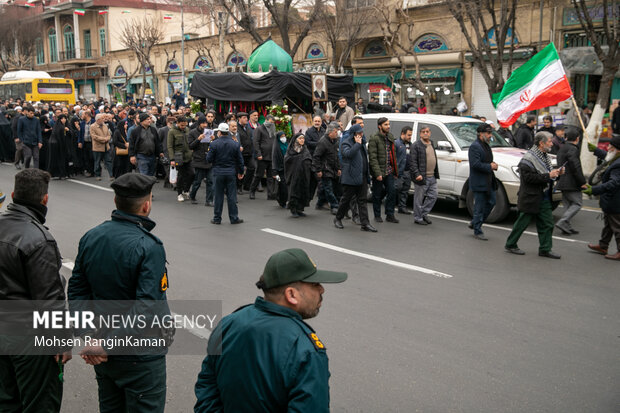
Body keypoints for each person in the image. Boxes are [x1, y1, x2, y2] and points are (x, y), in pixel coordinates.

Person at [194, 248, 347, 412]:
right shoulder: (305, 350)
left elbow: (207, 388)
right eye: (314, 284)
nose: (321, 289)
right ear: (291, 294)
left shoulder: (229, 324)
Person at [67, 173, 169, 412]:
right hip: (140, 355)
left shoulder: (92, 236)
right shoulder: (149, 246)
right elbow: (147, 307)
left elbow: (77, 289)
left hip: (103, 348)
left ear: (115, 201)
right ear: (146, 205)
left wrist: (90, 336)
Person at [0, 169, 72, 413]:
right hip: (29, 339)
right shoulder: (40, 239)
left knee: (7, 402)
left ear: (13, 195)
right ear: (45, 200)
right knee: (40, 404)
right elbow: (49, 299)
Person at [505, 132, 565, 258]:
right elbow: (528, 178)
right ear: (541, 143)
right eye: (549, 141)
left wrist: (557, 173)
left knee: (547, 224)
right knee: (522, 223)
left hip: (544, 196)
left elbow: (547, 174)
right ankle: (511, 244)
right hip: (530, 197)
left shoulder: (545, 156)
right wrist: (548, 175)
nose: (551, 143)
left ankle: (545, 249)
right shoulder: (528, 159)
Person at [334, 124, 376, 232]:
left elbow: (364, 158)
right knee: (346, 199)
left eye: (362, 133)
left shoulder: (361, 143)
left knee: (362, 201)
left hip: (362, 176)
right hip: (351, 177)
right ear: (353, 134)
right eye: (359, 133)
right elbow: (348, 154)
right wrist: (357, 144)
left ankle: (365, 224)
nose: (361, 135)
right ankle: (338, 218)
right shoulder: (345, 143)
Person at [584, 135, 620, 260]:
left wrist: (594, 190)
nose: (608, 148)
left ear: (617, 149)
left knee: (616, 226)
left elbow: (614, 183)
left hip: (615, 200)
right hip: (611, 200)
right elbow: (607, 157)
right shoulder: (616, 158)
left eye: (611, 146)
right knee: (609, 224)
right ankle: (603, 245)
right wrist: (595, 150)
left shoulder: (618, 165)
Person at [206, 123, 244, 224]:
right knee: (232, 196)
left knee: (218, 196)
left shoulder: (214, 144)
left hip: (218, 173)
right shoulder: (235, 144)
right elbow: (240, 160)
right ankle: (234, 218)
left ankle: (217, 218)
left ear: (219, 132)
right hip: (231, 172)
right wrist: (240, 172)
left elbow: (208, 159)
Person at [468, 123, 498, 240]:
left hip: (489, 181)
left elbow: (487, 160)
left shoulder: (486, 145)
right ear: (481, 134)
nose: (490, 135)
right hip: (479, 181)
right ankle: (477, 230)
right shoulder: (475, 146)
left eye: (491, 133)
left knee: (492, 202)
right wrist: (490, 166)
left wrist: (493, 165)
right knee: (479, 207)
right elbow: (475, 164)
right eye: (488, 133)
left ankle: (475, 222)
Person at [368, 117, 399, 223]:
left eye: (389, 124)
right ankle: (377, 215)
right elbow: (373, 158)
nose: (388, 126)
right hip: (379, 171)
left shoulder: (390, 137)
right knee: (377, 194)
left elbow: (393, 155)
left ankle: (390, 214)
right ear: (379, 126)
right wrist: (377, 173)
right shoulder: (374, 138)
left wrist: (395, 170)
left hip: (389, 170)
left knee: (392, 192)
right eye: (386, 124)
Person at [555, 130, 586, 235]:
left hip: (562, 181)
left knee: (567, 205)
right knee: (577, 203)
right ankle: (563, 222)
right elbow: (575, 167)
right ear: (577, 138)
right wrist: (582, 181)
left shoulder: (562, 148)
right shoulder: (573, 149)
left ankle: (567, 226)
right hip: (571, 182)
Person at [410, 125, 439, 225]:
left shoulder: (431, 143)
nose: (426, 133)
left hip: (432, 176)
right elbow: (413, 162)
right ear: (420, 134)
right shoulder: (416, 145)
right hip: (422, 177)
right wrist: (417, 174)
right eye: (423, 132)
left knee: (433, 196)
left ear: (430, 133)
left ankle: (423, 213)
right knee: (419, 199)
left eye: (427, 131)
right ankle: (418, 218)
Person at [312, 122, 341, 214]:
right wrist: (318, 170)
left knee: (329, 188)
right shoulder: (323, 142)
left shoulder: (336, 141)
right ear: (330, 133)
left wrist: (339, 168)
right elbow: (316, 157)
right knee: (329, 188)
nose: (337, 134)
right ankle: (334, 206)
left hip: (334, 168)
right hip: (325, 169)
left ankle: (320, 203)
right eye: (336, 132)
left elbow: (337, 156)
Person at [284, 133, 313, 218]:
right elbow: (287, 160)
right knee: (294, 191)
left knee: (303, 191)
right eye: (300, 138)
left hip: (304, 174)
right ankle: (293, 209)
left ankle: (300, 209)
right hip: (294, 175)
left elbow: (309, 158)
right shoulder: (291, 150)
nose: (302, 140)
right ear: (296, 139)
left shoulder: (305, 149)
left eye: (303, 139)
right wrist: (299, 159)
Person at [189, 117, 214, 206]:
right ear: (199, 123)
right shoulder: (193, 132)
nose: (205, 125)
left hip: (208, 160)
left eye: (206, 123)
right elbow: (190, 146)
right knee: (197, 182)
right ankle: (192, 196)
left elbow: (212, 145)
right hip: (199, 160)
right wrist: (198, 139)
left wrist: (213, 139)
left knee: (210, 181)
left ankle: (209, 200)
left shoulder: (208, 131)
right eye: (203, 123)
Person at [168, 116, 194, 202]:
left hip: (188, 156)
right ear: (178, 123)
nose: (183, 127)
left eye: (185, 125)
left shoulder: (187, 130)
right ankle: (179, 193)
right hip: (178, 157)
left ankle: (186, 191)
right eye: (182, 125)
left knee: (192, 174)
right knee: (181, 176)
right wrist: (172, 159)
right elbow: (170, 146)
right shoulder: (172, 131)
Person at [250, 115, 276, 200]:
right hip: (262, 156)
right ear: (266, 120)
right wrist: (258, 154)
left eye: (272, 123)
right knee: (258, 175)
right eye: (270, 122)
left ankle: (270, 194)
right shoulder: (259, 129)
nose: (271, 124)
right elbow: (256, 142)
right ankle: (252, 191)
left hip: (271, 156)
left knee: (270, 177)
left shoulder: (273, 129)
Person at [395, 126, 413, 215]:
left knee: (405, 190)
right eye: (409, 135)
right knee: (396, 189)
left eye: (411, 135)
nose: (410, 137)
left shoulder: (410, 145)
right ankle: (389, 206)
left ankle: (402, 207)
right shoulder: (397, 144)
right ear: (403, 134)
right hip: (399, 171)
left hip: (407, 172)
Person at [91, 113, 113, 181]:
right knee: (97, 161)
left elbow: (109, 134)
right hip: (97, 147)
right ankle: (98, 175)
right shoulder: (92, 126)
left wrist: (107, 138)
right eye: (102, 119)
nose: (104, 120)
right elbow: (94, 136)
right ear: (98, 120)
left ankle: (111, 175)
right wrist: (104, 139)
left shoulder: (105, 126)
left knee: (108, 161)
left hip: (106, 146)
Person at [237, 112, 254, 193]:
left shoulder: (247, 127)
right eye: (244, 117)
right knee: (240, 169)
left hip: (249, 152)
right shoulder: (236, 127)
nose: (246, 119)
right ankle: (239, 186)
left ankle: (246, 185)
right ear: (239, 119)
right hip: (240, 153)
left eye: (246, 117)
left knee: (252, 167)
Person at [47, 113, 69, 179]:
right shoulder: (61, 127)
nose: (64, 120)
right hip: (58, 145)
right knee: (59, 159)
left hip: (54, 144)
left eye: (65, 118)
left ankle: (55, 173)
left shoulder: (57, 125)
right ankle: (60, 174)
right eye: (62, 118)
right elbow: (60, 137)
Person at [272, 131, 289, 208]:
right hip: (280, 169)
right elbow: (274, 159)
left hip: (287, 169)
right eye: (281, 136)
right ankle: (282, 202)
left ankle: (286, 200)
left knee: (287, 186)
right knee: (282, 186)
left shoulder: (287, 145)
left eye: (284, 136)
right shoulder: (276, 147)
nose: (283, 138)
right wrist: (275, 172)